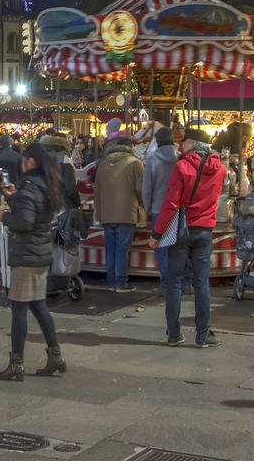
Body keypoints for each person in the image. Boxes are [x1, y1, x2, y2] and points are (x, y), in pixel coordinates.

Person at [0, 141, 67, 380]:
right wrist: (15, 197)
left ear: (31, 162)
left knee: (19, 308)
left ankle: (17, 363)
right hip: (40, 253)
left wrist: (5, 216)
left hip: (26, 254)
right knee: (38, 305)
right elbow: (32, 213)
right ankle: (55, 356)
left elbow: (24, 222)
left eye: (24, 159)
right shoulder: (45, 186)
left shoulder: (29, 188)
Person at [149, 128, 226, 347]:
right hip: (205, 230)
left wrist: (157, 233)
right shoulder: (220, 169)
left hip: (181, 230)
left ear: (193, 143)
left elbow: (171, 203)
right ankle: (203, 335)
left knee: (174, 282)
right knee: (202, 283)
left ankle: (174, 333)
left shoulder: (181, 167)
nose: (181, 146)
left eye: (184, 143)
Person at [92, 120, 144, 291]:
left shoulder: (103, 164)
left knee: (110, 249)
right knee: (122, 249)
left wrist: (99, 214)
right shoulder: (135, 163)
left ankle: (111, 281)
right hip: (126, 213)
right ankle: (121, 282)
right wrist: (142, 206)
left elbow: (97, 192)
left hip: (107, 214)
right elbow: (140, 190)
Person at [141, 127, 178, 277]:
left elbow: (147, 188)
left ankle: (166, 283)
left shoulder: (152, 160)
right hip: (178, 208)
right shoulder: (181, 158)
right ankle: (181, 282)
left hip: (158, 208)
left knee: (161, 247)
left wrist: (148, 207)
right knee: (177, 248)